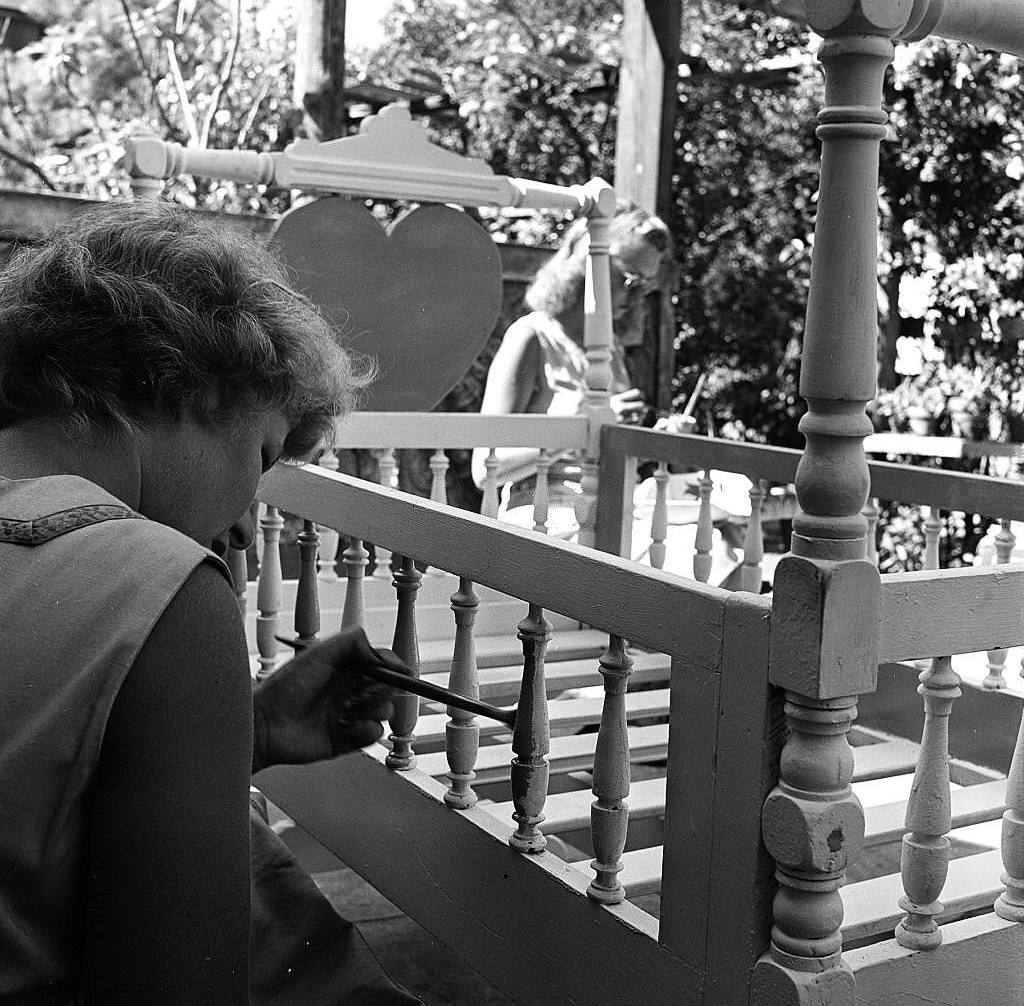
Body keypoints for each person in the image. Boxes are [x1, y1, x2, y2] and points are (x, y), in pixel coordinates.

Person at [0, 202, 421, 1004]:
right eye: (260, 460)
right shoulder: (163, 587)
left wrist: (241, 732)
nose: (241, 527)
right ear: (190, 382)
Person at [471, 201, 672, 537]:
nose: (636, 296)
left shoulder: (611, 351)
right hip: (545, 511)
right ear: (586, 261)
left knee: (724, 542)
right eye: (629, 278)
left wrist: (654, 440)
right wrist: (573, 429)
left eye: (646, 286)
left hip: (614, 510)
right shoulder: (532, 336)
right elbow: (485, 470)